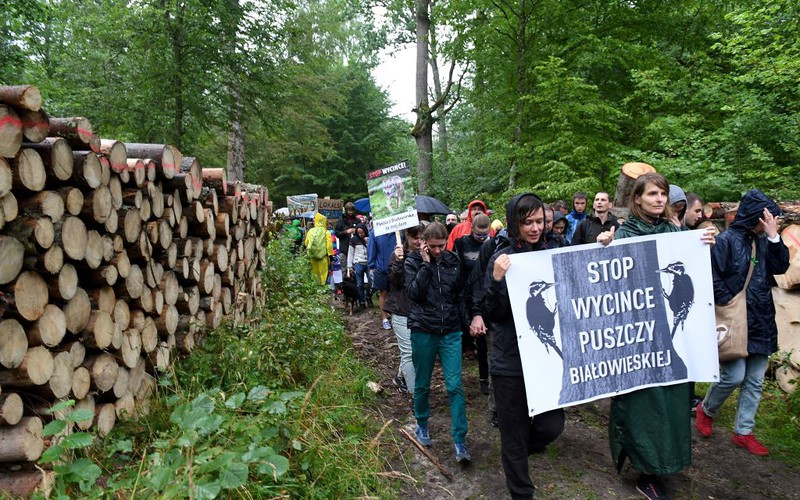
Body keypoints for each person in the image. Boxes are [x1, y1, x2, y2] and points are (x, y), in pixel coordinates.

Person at [595, 172, 715, 500]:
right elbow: (608, 283)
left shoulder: (674, 232)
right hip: (638, 338)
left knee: (671, 399)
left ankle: (664, 459)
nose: (660, 199)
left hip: (669, 337)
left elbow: (692, 270)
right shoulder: (625, 233)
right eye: (652, 194)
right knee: (642, 402)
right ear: (637, 199)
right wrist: (605, 247)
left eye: (662, 194)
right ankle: (645, 469)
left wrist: (703, 243)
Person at [482, 193, 566, 499]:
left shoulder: (555, 249)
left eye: (539, 221)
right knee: (513, 432)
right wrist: (495, 280)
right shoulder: (500, 257)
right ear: (514, 224)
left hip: (544, 361)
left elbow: (580, 273)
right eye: (527, 222)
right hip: (510, 361)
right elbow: (493, 314)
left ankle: (515, 453)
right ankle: (521, 491)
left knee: (552, 425)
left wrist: (606, 244)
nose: (534, 228)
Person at [696, 189, 789, 456]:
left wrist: (773, 236)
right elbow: (711, 275)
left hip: (761, 319)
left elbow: (781, 267)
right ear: (756, 216)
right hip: (734, 319)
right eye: (769, 218)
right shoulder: (726, 240)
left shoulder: (765, 240)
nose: (773, 222)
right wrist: (728, 301)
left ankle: (743, 432)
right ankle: (707, 408)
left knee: (756, 381)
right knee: (734, 376)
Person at [405, 222, 471, 463]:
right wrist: (426, 265)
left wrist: (468, 325)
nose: (436, 251)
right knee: (422, 382)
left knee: (455, 385)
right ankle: (421, 423)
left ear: (446, 242)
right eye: (432, 247)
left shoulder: (454, 261)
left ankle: (460, 439)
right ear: (424, 243)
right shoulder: (414, 261)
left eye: (440, 246)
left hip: (450, 329)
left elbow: (460, 296)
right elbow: (413, 294)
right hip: (423, 328)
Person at [385, 222, 427, 394]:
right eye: (414, 238)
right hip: (402, 310)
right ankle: (415, 395)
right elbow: (395, 281)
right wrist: (398, 261)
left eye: (421, 238)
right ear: (407, 238)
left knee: (421, 352)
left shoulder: (429, 254)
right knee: (408, 353)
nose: (418, 242)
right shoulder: (398, 256)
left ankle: (402, 376)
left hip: (423, 311)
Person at [454, 213, 492, 388]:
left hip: (484, 295)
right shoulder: (461, 243)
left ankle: (485, 378)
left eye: (485, 235)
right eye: (478, 235)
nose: (482, 238)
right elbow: (457, 269)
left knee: (484, 338)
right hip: (464, 295)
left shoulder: (492, 244)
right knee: (464, 334)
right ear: (472, 230)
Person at [369, 228, 396, 330]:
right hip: (381, 268)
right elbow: (372, 249)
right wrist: (372, 265)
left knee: (395, 293)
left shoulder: (397, 231)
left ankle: (394, 316)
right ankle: (384, 318)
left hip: (396, 267)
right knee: (383, 293)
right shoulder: (375, 232)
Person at [346, 223, 371, 309]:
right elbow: (350, 253)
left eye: (362, 232)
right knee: (359, 284)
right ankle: (362, 302)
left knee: (371, 282)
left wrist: (368, 242)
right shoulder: (353, 240)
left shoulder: (369, 239)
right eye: (359, 232)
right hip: (358, 263)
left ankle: (368, 296)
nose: (361, 234)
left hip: (368, 263)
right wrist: (349, 266)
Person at [304, 212, 333, 285]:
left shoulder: (310, 231)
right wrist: (330, 255)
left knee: (314, 274)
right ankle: (323, 290)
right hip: (324, 258)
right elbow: (329, 246)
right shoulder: (327, 232)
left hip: (313, 257)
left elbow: (306, 243)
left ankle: (315, 290)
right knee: (323, 275)